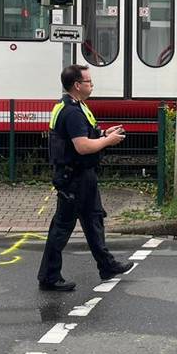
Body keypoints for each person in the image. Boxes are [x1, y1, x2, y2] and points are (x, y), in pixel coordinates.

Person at [37, 64, 134, 292]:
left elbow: (88, 135)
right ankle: (49, 276)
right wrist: (108, 142)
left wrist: (104, 133)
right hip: (74, 179)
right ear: (77, 85)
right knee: (61, 228)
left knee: (94, 221)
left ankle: (107, 266)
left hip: (83, 177)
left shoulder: (77, 107)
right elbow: (82, 146)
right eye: (89, 81)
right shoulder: (71, 112)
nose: (92, 85)